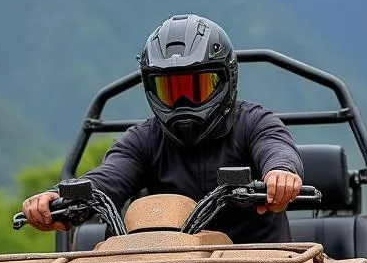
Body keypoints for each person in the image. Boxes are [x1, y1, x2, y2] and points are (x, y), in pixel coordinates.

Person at [21, 14, 304, 244]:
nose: (182, 102)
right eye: (169, 90)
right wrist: (59, 199)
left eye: (196, 88)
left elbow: (276, 147)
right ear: (150, 88)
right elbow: (107, 178)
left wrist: (281, 173)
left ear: (225, 81)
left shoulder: (255, 122)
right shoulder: (142, 140)